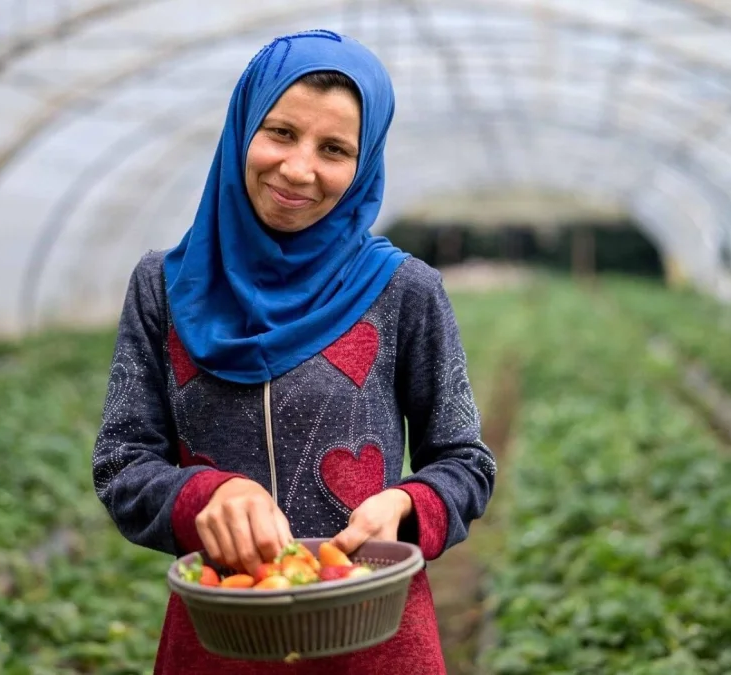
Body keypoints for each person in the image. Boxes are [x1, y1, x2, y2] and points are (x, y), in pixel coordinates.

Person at [92, 29, 496, 674]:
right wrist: (203, 497)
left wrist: (406, 506)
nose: (299, 168)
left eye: (334, 149)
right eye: (280, 133)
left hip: (373, 635)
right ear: (243, 127)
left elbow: (464, 460)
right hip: (224, 636)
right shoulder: (163, 288)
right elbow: (122, 464)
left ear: (363, 165)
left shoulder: (402, 290)